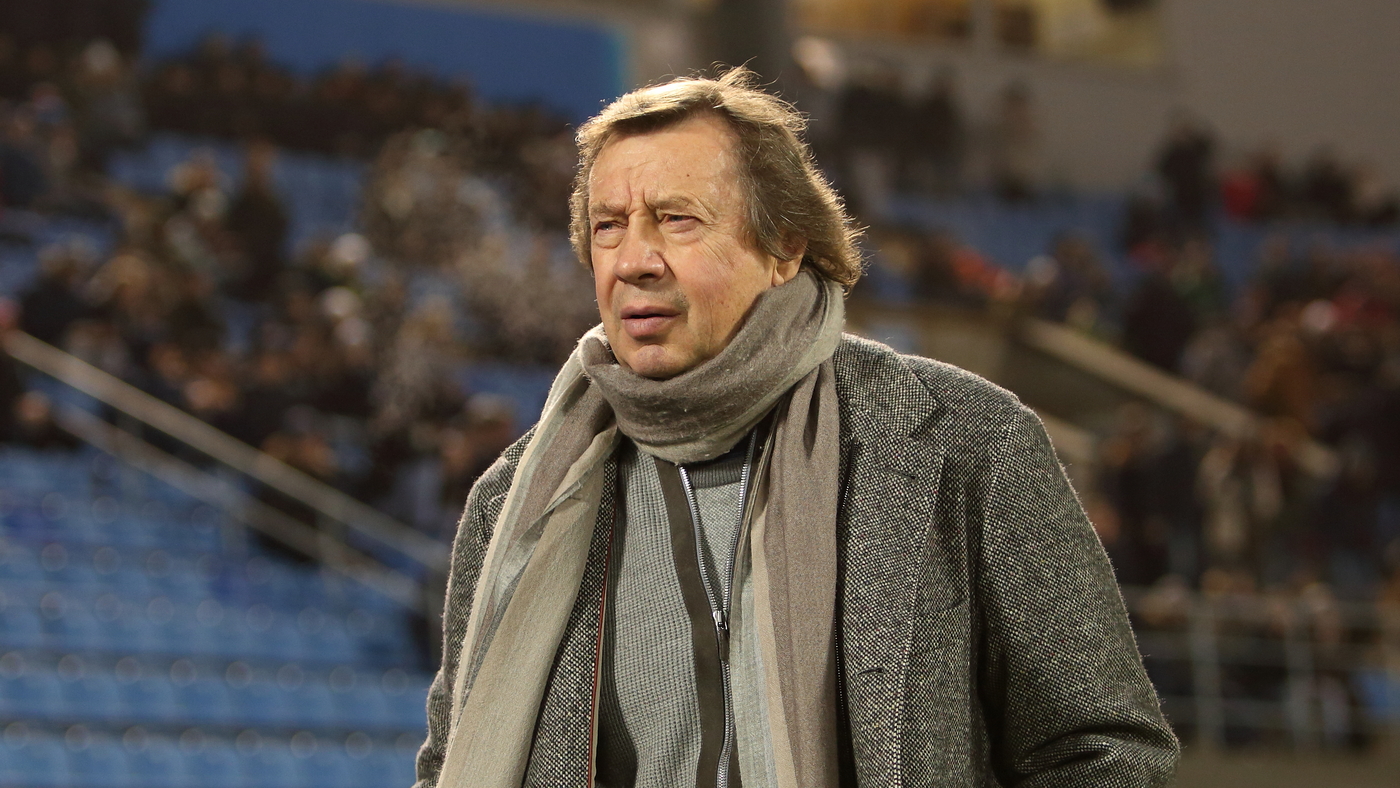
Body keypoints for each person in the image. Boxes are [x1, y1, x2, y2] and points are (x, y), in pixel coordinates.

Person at [414, 68, 1178, 788]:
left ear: (784, 247)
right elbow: (452, 759)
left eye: (676, 220)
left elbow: (1103, 749)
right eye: (608, 226)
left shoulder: (966, 443)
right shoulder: (515, 503)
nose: (635, 260)